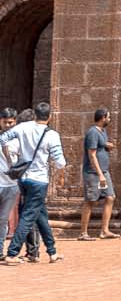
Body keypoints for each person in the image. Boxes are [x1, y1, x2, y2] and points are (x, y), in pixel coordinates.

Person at [6, 103, 65, 263]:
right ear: (50, 116)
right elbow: (60, 162)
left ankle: (52, 252)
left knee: (41, 215)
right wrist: (61, 177)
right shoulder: (52, 135)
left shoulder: (24, 128)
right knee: (28, 216)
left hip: (23, 178)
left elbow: (3, 138)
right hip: (39, 180)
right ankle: (12, 252)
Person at [79, 109, 116, 240]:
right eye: (109, 117)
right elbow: (92, 154)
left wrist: (107, 145)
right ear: (103, 118)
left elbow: (100, 146)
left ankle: (104, 230)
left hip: (104, 171)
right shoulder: (92, 133)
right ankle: (83, 232)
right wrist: (100, 174)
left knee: (110, 197)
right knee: (90, 200)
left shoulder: (102, 132)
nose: (110, 120)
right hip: (93, 173)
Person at [0, 108, 21, 263]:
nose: (8, 125)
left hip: (11, 185)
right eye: (5, 122)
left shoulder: (19, 141)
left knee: (2, 219)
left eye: (11, 122)